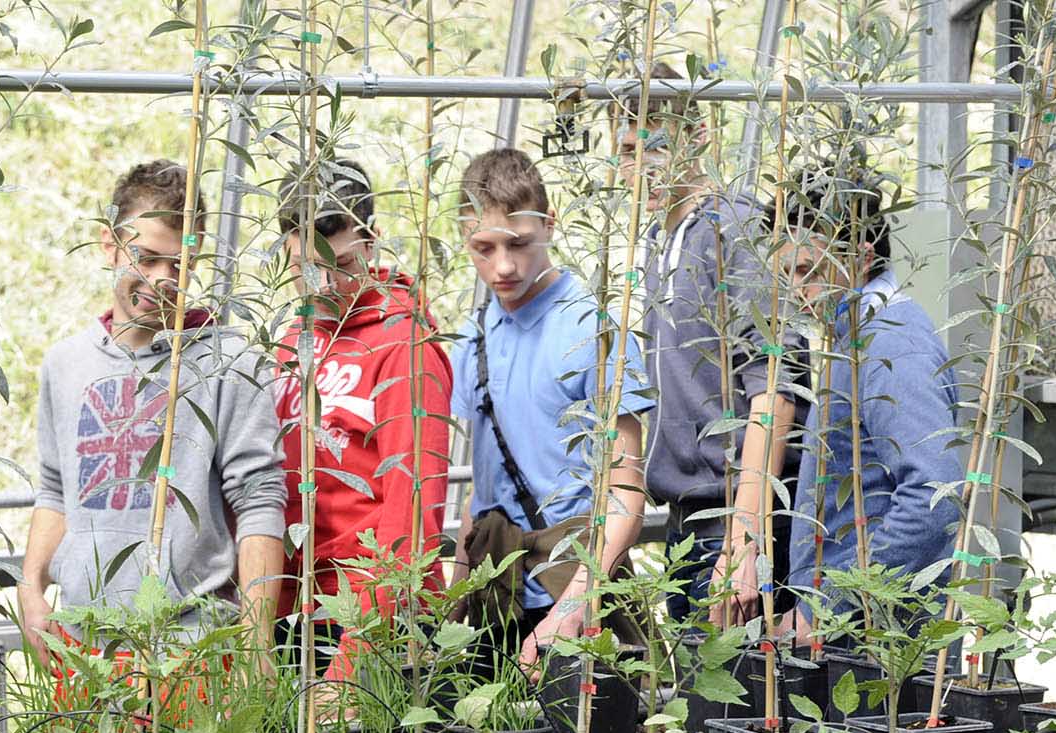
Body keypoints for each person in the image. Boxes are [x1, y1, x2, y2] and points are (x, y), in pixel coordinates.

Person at [20, 160, 286, 655]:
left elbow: (259, 502)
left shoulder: (229, 363)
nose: (163, 279)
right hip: (81, 642)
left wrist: (255, 641)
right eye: (145, 258)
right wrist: (31, 591)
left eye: (179, 265)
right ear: (108, 243)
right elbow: (56, 489)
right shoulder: (66, 363)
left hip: (193, 645)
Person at [450, 147, 653, 668]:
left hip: (577, 584)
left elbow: (626, 490)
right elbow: (483, 482)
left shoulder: (594, 331)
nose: (503, 266)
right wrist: (455, 595)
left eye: (519, 243)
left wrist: (573, 610)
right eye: (483, 247)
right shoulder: (473, 338)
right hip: (498, 591)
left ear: (549, 224)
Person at [619, 67, 803, 625]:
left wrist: (746, 539)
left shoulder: (736, 231)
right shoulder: (654, 242)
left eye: (650, 147)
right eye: (625, 152)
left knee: (738, 699)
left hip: (738, 515)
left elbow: (775, 386)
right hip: (686, 514)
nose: (636, 167)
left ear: (696, 136)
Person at [775, 169, 962, 638]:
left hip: (881, 641)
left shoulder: (891, 345)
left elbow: (933, 496)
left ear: (858, 258)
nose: (796, 290)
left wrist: (835, 607)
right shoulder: (857, 340)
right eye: (785, 274)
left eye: (805, 271)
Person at [273, 157, 451, 627]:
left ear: (370, 238)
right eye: (305, 269)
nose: (325, 286)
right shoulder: (291, 341)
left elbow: (412, 512)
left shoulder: (404, 343)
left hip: (378, 616)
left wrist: (356, 653)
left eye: (342, 264)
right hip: (301, 611)